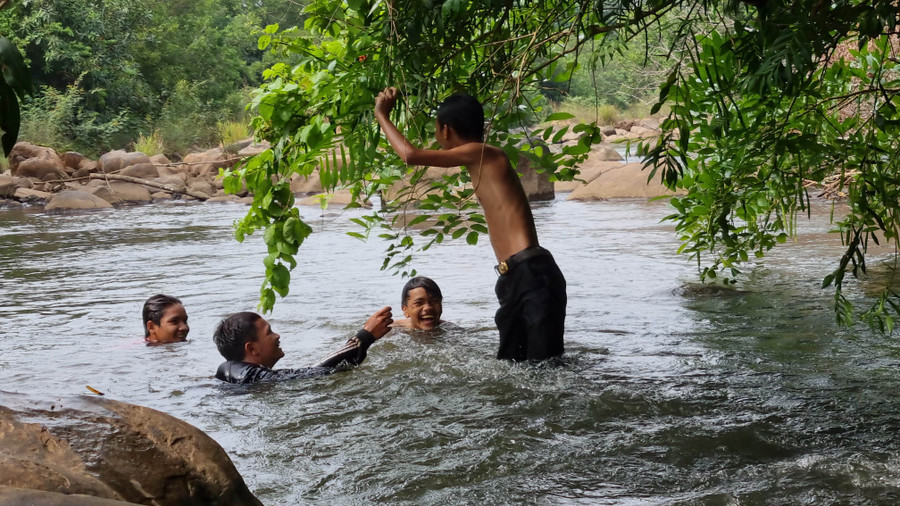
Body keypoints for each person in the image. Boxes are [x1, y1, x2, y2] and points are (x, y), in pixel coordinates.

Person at [375, 87, 566, 361]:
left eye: (435, 130)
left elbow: (410, 155)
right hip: (516, 276)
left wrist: (382, 114)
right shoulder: (480, 160)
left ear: (445, 129)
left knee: (544, 366)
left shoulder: (484, 153)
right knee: (516, 366)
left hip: (532, 274)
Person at [213, 306, 393, 384]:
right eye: (269, 332)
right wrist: (365, 337)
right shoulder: (246, 377)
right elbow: (312, 373)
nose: (277, 336)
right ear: (252, 348)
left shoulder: (241, 377)